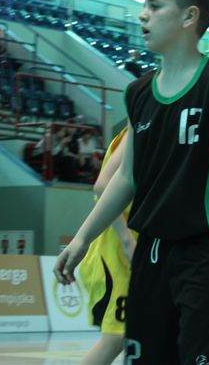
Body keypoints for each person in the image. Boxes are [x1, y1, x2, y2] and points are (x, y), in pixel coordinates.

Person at [54, 0, 209, 364]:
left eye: (155, 6)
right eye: (144, 5)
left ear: (189, 16)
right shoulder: (138, 93)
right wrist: (82, 238)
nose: (142, 14)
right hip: (153, 253)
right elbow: (126, 178)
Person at [78, 127, 136, 365]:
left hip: (142, 249)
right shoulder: (136, 130)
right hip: (117, 253)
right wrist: (127, 240)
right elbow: (102, 185)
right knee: (115, 338)